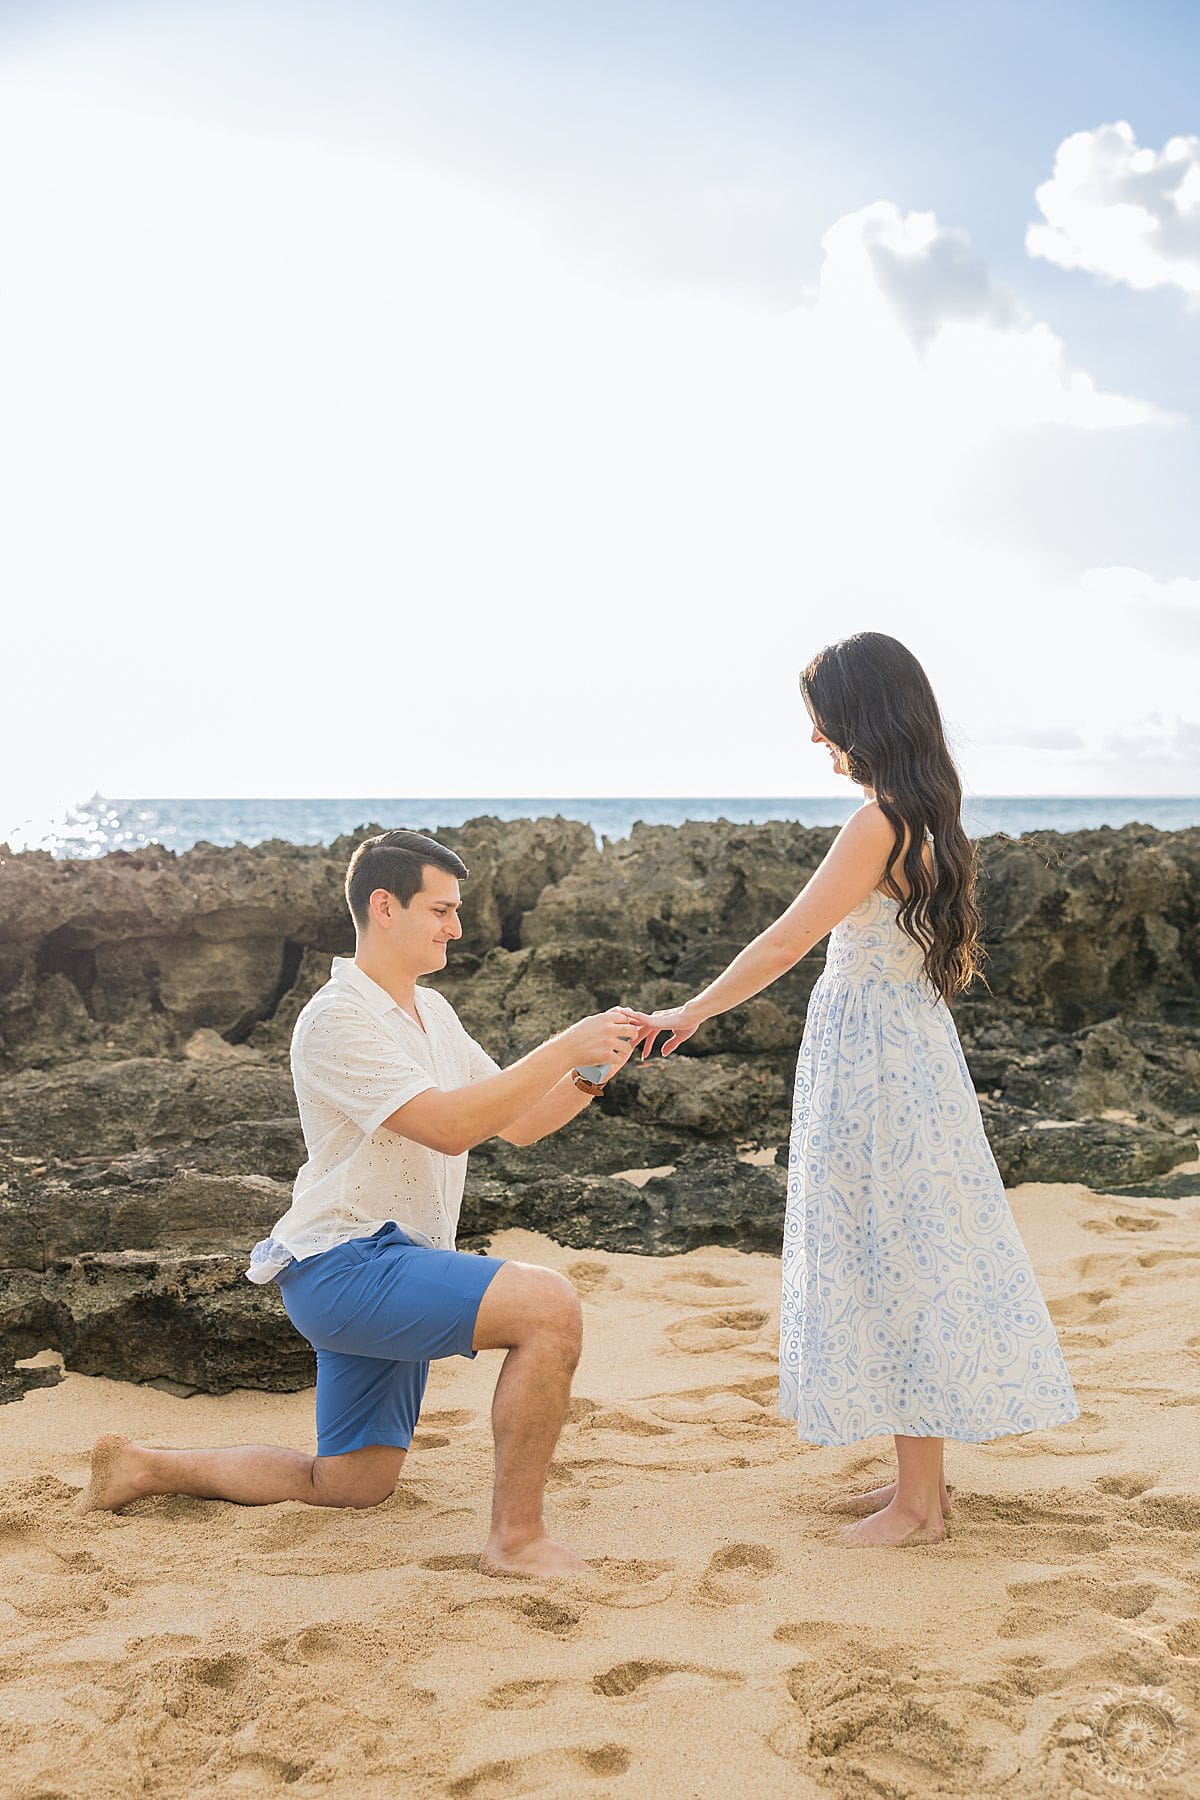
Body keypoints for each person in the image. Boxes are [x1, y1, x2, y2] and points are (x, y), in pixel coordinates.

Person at [79, 828, 641, 1579]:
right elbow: (447, 1128)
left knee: (351, 1484)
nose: (457, 927)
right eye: (442, 910)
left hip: (393, 1264)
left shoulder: (432, 1014)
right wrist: (565, 1045)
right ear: (385, 905)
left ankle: (144, 1468)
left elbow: (519, 1122)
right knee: (549, 1306)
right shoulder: (336, 1019)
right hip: (345, 1265)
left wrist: (594, 1069)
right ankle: (517, 1540)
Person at [629, 633, 1079, 1547]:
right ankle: (923, 1491)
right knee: (903, 1248)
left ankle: (917, 1508)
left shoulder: (877, 821)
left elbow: (787, 942)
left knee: (894, 1255)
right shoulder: (930, 815)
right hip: (907, 1048)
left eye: (821, 720)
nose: (814, 738)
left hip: (875, 1060)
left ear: (860, 717)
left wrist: (693, 1010)